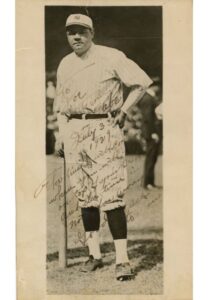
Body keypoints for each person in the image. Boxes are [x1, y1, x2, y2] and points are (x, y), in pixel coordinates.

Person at [54, 13, 152, 280]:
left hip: (103, 128)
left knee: (111, 194)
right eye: (71, 32)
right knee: (85, 194)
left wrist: (124, 110)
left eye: (82, 32)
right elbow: (61, 108)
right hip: (74, 129)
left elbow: (141, 83)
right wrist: (61, 136)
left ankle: (122, 260)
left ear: (92, 34)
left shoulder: (111, 56)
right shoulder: (64, 64)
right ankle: (94, 254)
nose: (76, 37)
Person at [138, 84, 162, 190]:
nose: (159, 88)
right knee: (151, 157)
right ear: (153, 86)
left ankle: (150, 182)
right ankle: (148, 182)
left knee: (152, 157)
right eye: (158, 86)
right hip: (151, 132)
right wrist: (152, 133)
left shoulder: (148, 97)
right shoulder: (148, 98)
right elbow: (148, 118)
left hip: (151, 131)